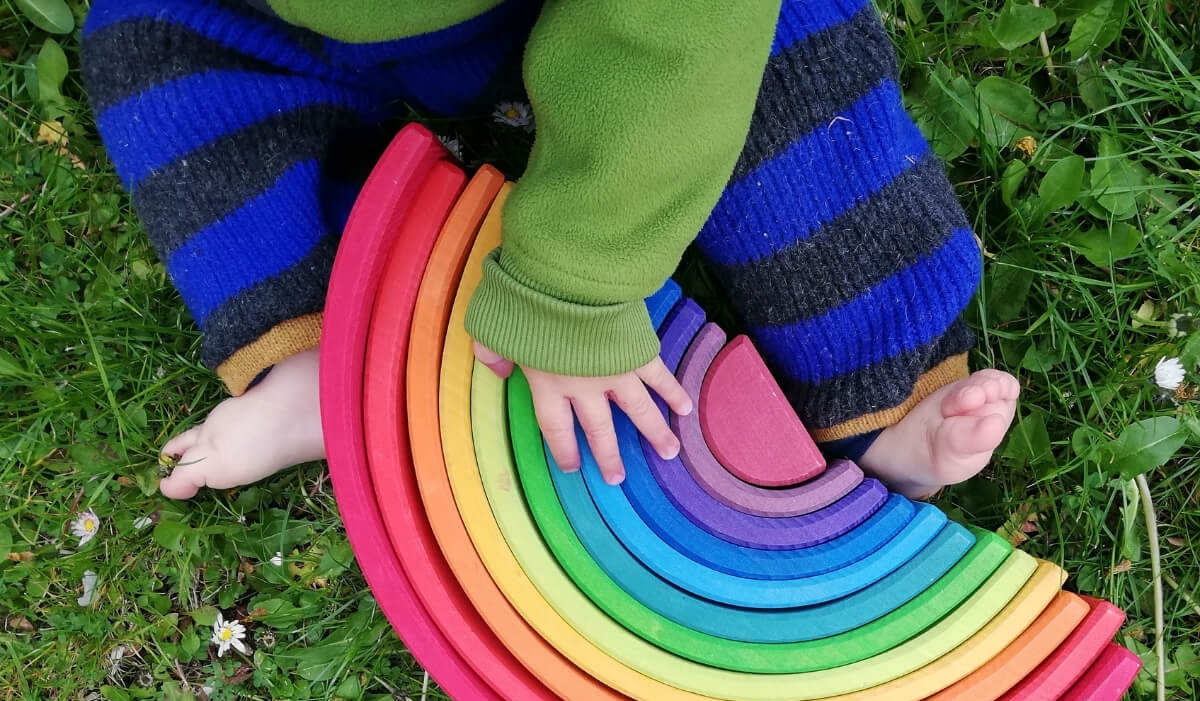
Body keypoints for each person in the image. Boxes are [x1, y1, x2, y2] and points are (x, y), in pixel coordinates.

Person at [81, 0, 1018, 503]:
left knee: (787, 79)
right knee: (153, 42)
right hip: (312, 14)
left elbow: (678, 39)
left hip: (644, 25)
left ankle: (886, 392)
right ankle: (317, 348)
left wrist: (573, 286)